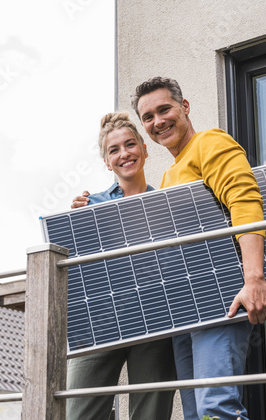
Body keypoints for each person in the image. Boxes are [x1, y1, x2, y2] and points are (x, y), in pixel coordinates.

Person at [130, 76, 266, 420]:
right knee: (197, 414)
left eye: (164, 109)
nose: (158, 121)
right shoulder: (168, 177)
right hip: (186, 307)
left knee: (218, 406)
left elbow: (244, 200)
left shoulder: (209, 142)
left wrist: (254, 278)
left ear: (184, 107)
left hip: (219, 298)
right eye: (148, 117)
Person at [66, 112, 176, 420]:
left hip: (154, 321)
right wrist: (74, 223)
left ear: (144, 148)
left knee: (151, 414)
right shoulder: (89, 206)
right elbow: (78, 268)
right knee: (79, 413)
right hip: (100, 322)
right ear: (106, 161)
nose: (124, 153)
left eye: (130, 145)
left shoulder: (168, 203)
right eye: (114, 150)